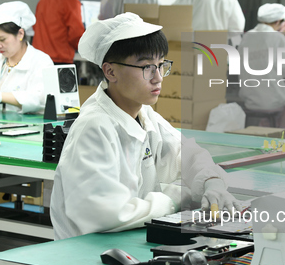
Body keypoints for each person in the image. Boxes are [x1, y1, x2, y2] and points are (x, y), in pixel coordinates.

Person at [50, 12, 241, 239]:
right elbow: (104, 214)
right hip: (86, 254)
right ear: (110, 71)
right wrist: (175, 198)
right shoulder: (94, 127)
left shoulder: (144, 115)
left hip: (128, 240)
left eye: (161, 65)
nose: (158, 77)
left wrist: (213, 184)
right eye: (146, 67)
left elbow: (187, 154)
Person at [238, 3, 285, 123]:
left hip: (250, 102)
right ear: (278, 21)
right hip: (274, 103)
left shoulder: (247, 37)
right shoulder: (277, 38)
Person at [33, 0, 86, 64]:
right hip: (60, 60)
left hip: (38, 59)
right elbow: (75, 34)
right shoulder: (72, 2)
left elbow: (35, 26)